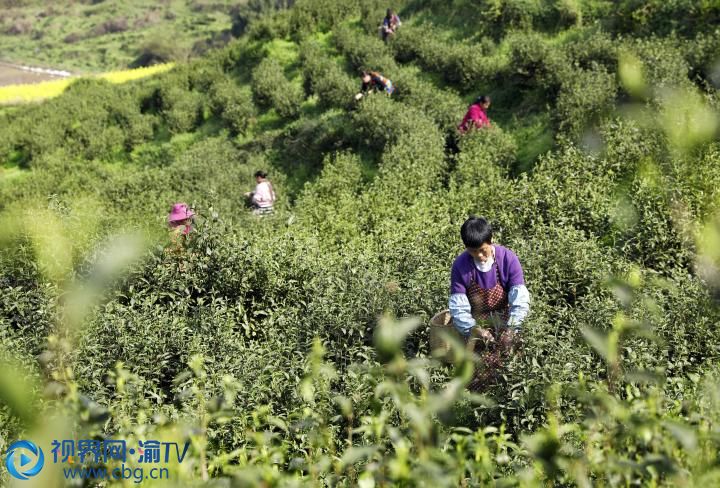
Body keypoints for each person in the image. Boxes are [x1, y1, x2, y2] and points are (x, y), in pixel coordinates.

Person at [448, 216, 530, 387]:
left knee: (512, 365)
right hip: (476, 323)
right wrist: (475, 329)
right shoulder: (460, 266)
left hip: (506, 319)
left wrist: (511, 330)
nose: (479, 256)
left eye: (483, 250)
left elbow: (520, 302)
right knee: (477, 374)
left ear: (491, 240)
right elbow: (459, 309)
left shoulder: (507, 259)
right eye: (473, 252)